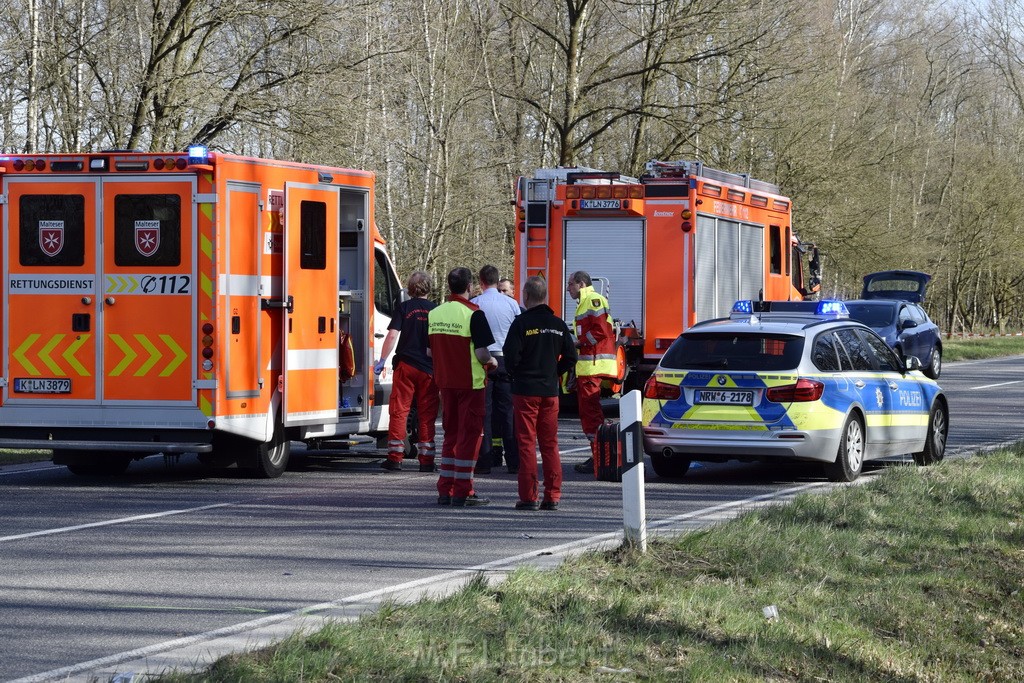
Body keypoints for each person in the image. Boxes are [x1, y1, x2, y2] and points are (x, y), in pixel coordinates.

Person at [504, 276, 577, 510]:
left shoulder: (521, 324)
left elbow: (510, 357)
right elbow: (572, 356)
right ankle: (553, 496)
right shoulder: (558, 324)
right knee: (550, 444)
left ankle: (528, 497)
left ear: (525, 296)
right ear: (544, 296)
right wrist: (554, 372)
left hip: (525, 391)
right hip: (549, 391)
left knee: (526, 443)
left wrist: (519, 374)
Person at [429, 267, 498, 506]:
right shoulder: (473, 314)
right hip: (471, 383)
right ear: (470, 287)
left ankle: (445, 488)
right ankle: (463, 490)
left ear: (449, 286)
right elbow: (481, 354)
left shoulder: (435, 313)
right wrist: (492, 361)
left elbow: (430, 351)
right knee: (470, 437)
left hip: (445, 382)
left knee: (451, 435)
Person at [374, 271, 439, 473]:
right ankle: (426, 461)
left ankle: (395, 458)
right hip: (428, 368)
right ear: (429, 288)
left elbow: (392, 335)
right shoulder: (436, 311)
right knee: (427, 414)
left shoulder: (404, 308)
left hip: (406, 366)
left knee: (399, 411)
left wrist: (382, 360)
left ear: (410, 289)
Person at [471, 265, 521, 474]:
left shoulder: (474, 304)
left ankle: (485, 460)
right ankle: (513, 462)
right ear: (497, 280)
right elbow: (518, 333)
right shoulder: (512, 304)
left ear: (481, 282)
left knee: (485, 412)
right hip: (505, 360)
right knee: (508, 413)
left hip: (483, 360)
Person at [566, 271, 618, 474]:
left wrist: (578, 342)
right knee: (590, 413)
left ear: (581, 283)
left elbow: (600, 331)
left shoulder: (593, 300)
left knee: (591, 414)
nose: (568, 288)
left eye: (570, 284)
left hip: (592, 366)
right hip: (589, 366)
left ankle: (599, 456)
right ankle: (598, 454)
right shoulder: (586, 301)